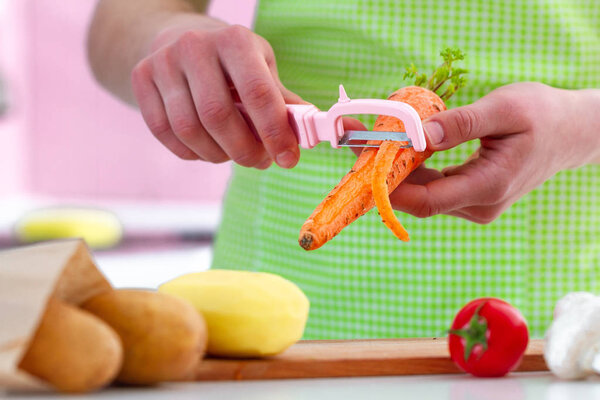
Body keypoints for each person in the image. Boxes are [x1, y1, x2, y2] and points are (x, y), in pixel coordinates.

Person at [88, 0, 600, 339]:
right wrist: (170, 40)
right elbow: (123, 21)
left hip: (566, 324)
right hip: (280, 308)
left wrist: (581, 128)